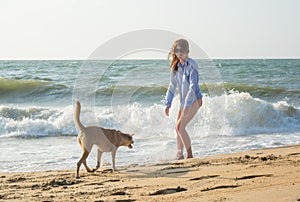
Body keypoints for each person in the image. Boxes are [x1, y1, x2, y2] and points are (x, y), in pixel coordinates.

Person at [164, 39, 203, 159]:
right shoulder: (175, 67)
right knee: (177, 128)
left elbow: (192, 87)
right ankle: (179, 154)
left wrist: (187, 106)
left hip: (195, 101)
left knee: (180, 127)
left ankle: (189, 155)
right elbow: (172, 86)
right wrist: (168, 103)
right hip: (183, 102)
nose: (179, 53)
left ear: (187, 51)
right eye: (176, 50)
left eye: (181, 50)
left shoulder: (192, 65)